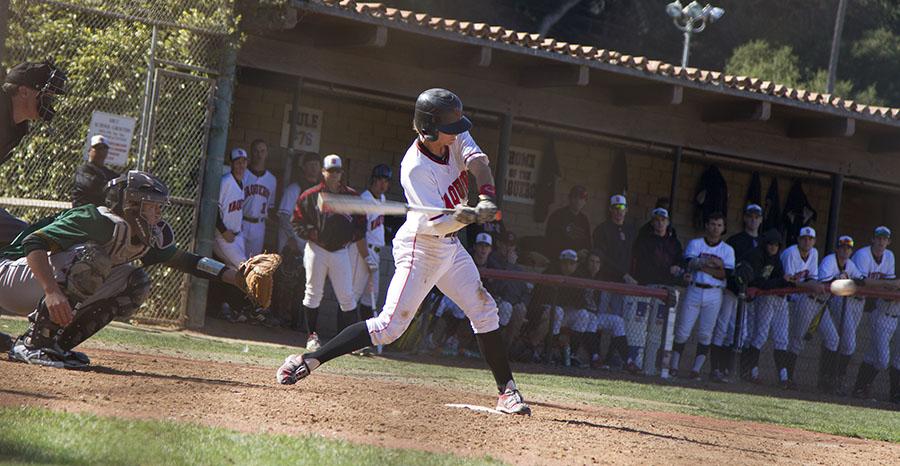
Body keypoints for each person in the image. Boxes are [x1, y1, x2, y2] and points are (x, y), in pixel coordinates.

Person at [277, 88, 530, 415]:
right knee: (389, 328)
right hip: (421, 246)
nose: (456, 135)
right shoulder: (414, 169)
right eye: (449, 130)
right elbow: (439, 224)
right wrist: (464, 217)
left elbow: (478, 162)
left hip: (450, 248)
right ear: (427, 130)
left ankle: (506, 391)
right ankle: (308, 360)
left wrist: (486, 196)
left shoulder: (455, 132)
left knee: (485, 310)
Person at [1, 171, 273, 368]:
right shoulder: (99, 220)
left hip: (36, 284)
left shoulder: (140, 235)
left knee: (136, 281)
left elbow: (187, 261)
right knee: (95, 258)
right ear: (130, 203)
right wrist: (51, 291)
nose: (158, 213)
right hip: (11, 274)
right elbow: (32, 242)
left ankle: (54, 346)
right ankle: (33, 344)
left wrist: (235, 276)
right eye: (152, 205)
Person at [0, 60, 67, 351]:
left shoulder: (18, 127)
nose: (50, 100)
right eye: (46, 93)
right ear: (24, 91)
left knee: (26, 239)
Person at [292, 154, 366, 351]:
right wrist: (310, 232)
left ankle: (351, 342)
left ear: (342, 173)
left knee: (347, 296)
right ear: (323, 172)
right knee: (313, 293)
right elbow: (297, 221)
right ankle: (311, 337)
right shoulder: (310, 196)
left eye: (337, 171)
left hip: (341, 251)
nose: (334, 175)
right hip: (317, 249)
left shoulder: (352, 196)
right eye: (330, 171)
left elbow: (361, 223)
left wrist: (350, 238)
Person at [669, 212, 735, 380]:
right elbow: (690, 263)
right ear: (707, 225)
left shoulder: (727, 250)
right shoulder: (696, 243)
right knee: (683, 330)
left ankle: (696, 370)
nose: (715, 228)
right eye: (712, 224)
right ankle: (674, 366)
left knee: (706, 333)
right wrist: (714, 265)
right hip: (694, 289)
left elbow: (725, 274)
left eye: (719, 225)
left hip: (714, 292)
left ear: (723, 228)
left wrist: (703, 264)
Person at [709, 204, 763, 382]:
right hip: (731, 291)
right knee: (723, 328)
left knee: (741, 334)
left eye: (757, 216)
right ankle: (717, 369)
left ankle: (729, 370)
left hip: (748, 296)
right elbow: (729, 268)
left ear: (761, 219)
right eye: (750, 216)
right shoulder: (735, 240)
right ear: (745, 218)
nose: (753, 219)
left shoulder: (762, 242)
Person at [851, 226, 900, 402]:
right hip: (874, 310)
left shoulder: (890, 256)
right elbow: (864, 283)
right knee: (883, 359)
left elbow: (888, 282)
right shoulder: (863, 255)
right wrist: (891, 286)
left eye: (884, 238)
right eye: (878, 238)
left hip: (893, 320)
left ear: (889, 241)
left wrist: (892, 285)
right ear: (872, 239)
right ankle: (862, 386)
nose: (881, 241)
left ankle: (859, 388)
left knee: (873, 355)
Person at [816, 235, 864, 393]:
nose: (845, 250)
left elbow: (861, 281)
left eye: (848, 248)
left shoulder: (850, 264)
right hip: (815, 302)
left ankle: (834, 377)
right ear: (837, 249)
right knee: (796, 340)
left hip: (833, 303)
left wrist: (844, 281)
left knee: (845, 342)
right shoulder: (829, 261)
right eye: (842, 247)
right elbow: (826, 284)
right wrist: (843, 281)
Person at [742, 229, 789, 383]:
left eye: (776, 245)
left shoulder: (776, 259)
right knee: (755, 335)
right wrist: (779, 282)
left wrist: (779, 282)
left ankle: (783, 377)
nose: (773, 247)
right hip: (749, 300)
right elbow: (757, 281)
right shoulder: (756, 255)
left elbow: (779, 279)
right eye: (770, 244)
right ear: (765, 244)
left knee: (781, 338)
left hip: (770, 299)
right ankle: (750, 372)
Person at [781, 226, 825, 389]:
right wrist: (811, 287)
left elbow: (812, 278)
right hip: (783, 299)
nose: (807, 241)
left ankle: (787, 377)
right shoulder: (790, 253)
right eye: (804, 238)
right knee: (780, 338)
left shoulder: (814, 253)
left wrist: (813, 286)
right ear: (798, 240)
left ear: (814, 241)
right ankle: (783, 377)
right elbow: (789, 281)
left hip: (802, 300)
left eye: (810, 239)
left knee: (796, 339)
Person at [350, 164, 392, 326]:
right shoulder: (365, 200)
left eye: (386, 181)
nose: (383, 184)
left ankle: (364, 339)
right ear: (373, 180)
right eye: (380, 180)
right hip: (362, 252)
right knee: (353, 296)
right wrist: (366, 258)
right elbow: (358, 233)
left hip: (376, 253)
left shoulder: (382, 199)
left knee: (370, 297)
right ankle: (345, 337)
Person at [580, 249, 631, 371]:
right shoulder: (580, 275)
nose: (594, 265)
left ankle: (628, 361)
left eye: (597, 262)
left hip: (596, 316)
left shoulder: (602, 278)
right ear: (587, 263)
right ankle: (595, 357)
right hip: (581, 315)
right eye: (591, 261)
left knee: (617, 321)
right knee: (590, 318)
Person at [485, 231, 530, 347]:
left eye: (511, 245)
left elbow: (525, 292)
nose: (508, 248)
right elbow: (497, 287)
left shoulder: (518, 268)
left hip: (512, 303)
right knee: (507, 307)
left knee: (520, 309)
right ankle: (493, 345)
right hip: (494, 302)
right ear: (499, 244)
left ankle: (507, 347)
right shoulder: (491, 260)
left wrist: (523, 303)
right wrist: (509, 265)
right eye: (505, 244)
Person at [277, 152, 321, 253]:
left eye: (316, 164)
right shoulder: (294, 189)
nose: (314, 167)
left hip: (309, 245)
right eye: (310, 164)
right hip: (291, 243)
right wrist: (291, 239)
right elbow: (283, 217)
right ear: (304, 167)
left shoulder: (321, 192)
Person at [242, 139, 277, 257]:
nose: (259, 154)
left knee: (252, 262)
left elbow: (270, 206)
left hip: (259, 225)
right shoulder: (243, 174)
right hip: (241, 221)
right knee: (235, 260)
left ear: (267, 153)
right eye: (256, 151)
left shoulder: (271, 179)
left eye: (262, 151)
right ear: (251, 152)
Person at [631, 207, 683, 287]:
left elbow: (680, 262)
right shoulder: (644, 241)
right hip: (648, 285)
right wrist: (668, 270)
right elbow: (643, 266)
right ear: (652, 223)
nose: (660, 223)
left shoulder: (675, 243)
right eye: (657, 220)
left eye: (663, 220)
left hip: (668, 286)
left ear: (668, 222)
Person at [71, 135, 118, 207]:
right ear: (90, 150)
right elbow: (93, 185)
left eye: (104, 148)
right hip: (83, 211)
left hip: (102, 212)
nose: (101, 152)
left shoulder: (108, 173)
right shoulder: (82, 170)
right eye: (98, 148)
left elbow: (119, 183)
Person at [544, 185, 591, 258]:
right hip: (560, 260)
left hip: (578, 262)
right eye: (575, 197)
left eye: (582, 198)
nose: (578, 201)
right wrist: (574, 253)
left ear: (585, 202)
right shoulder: (557, 216)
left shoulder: (584, 220)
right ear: (569, 198)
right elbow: (552, 243)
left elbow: (588, 243)